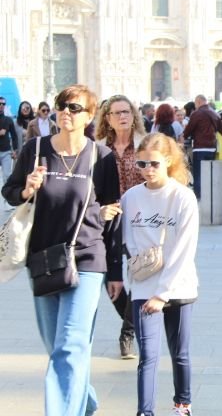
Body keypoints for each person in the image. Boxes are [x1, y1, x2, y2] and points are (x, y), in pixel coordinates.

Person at [2, 84, 122, 415]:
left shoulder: (102, 157)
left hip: (87, 258)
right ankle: (84, 398)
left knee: (70, 345)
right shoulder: (35, 149)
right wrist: (26, 189)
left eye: (73, 108)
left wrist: (115, 272)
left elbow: (112, 215)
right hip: (43, 258)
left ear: (89, 116)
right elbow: (9, 191)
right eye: (61, 106)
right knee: (59, 347)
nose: (65, 113)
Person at [121, 133, 199, 416]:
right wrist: (134, 276)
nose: (147, 169)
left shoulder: (183, 197)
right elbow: (129, 241)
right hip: (143, 285)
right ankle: (145, 412)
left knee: (180, 354)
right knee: (148, 356)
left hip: (178, 287)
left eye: (153, 163)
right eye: (141, 164)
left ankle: (183, 404)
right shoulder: (131, 197)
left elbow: (184, 249)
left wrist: (163, 292)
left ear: (168, 160)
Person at [95, 94, 147, 359]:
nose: (123, 116)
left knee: (139, 275)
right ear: (108, 119)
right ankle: (135, 324)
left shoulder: (144, 145)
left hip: (140, 218)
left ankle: (127, 333)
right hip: (109, 218)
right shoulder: (97, 148)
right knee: (110, 278)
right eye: (117, 113)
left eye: (127, 111)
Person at [182, 95, 222, 199]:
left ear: (199, 102)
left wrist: (184, 136)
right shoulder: (214, 113)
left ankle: (198, 195)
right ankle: (209, 194)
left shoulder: (197, 114)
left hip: (199, 147)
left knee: (198, 173)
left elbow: (189, 130)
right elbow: (221, 130)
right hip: (212, 147)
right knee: (209, 172)